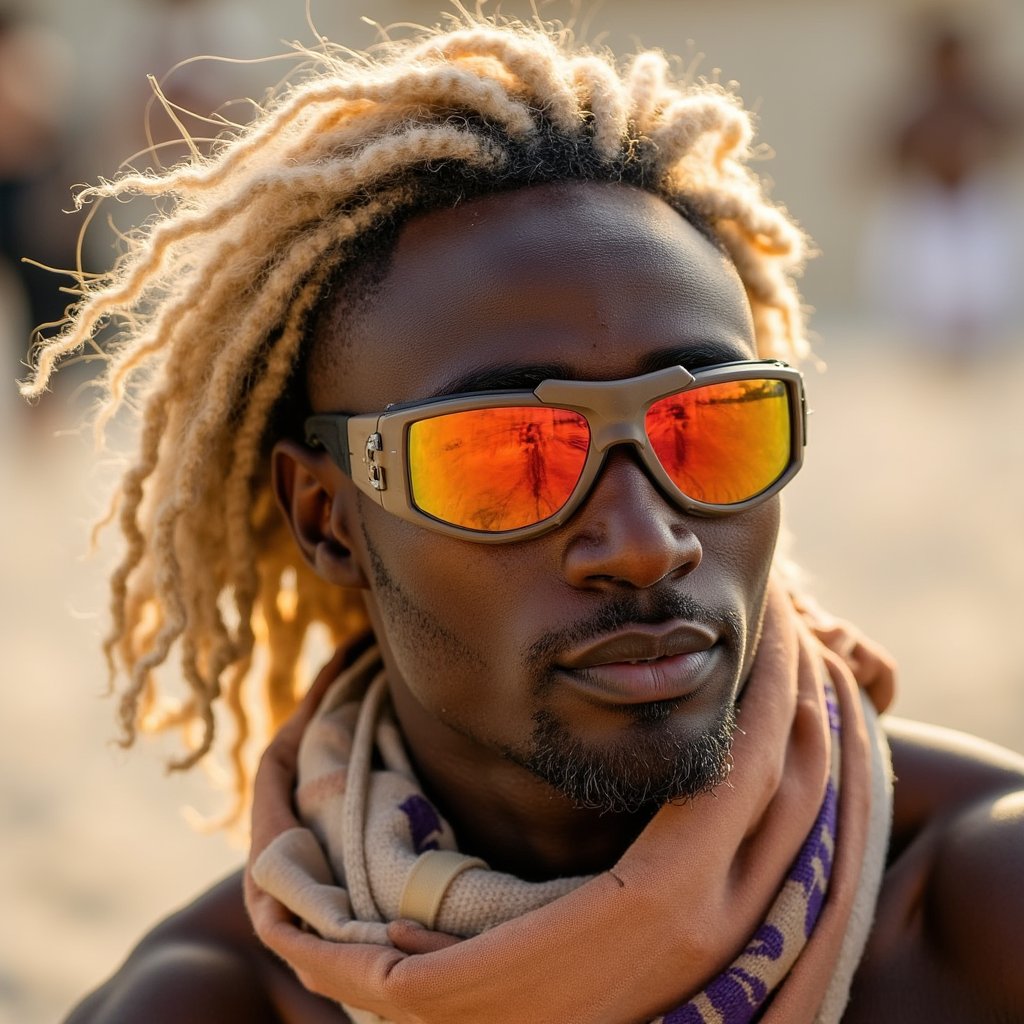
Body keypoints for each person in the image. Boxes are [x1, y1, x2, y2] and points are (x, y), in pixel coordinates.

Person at [23, 14, 1023, 1024]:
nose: (645, 540)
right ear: (329, 519)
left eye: (708, 429)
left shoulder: (983, 912)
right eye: (507, 455)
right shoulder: (212, 1006)